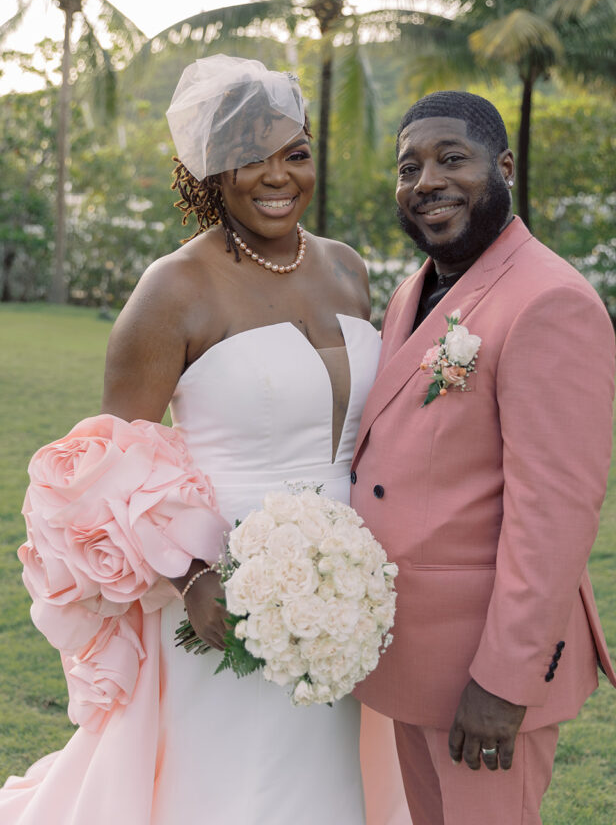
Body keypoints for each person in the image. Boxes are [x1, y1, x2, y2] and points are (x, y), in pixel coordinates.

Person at [0, 55, 409, 825]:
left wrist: (356, 577)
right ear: (211, 172)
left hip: (346, 591)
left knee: (326, 784)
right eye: (250, 156)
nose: (276, 175)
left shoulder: (347, 269)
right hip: (224, 589)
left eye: (295, 153)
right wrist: (193, 576)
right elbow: (107, 469)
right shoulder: (173, 291)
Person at [350, 90, 616, 825]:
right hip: (410, 656)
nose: (425, 182)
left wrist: (505, 682)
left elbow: (554, 514)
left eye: (449, 159)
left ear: (502, 167)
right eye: (408, 167)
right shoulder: (417, 288)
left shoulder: (548, 301)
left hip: (484, 674)